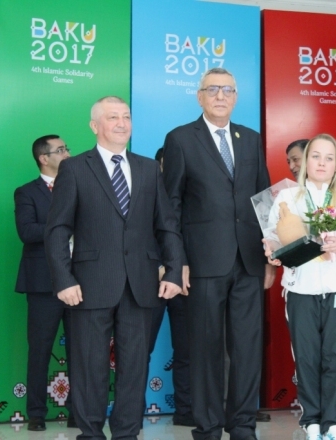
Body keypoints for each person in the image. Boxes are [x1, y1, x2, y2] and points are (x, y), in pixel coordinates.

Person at [45, 96, 184, 439]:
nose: (122, 123)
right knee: (89, 366)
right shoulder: (75, 168)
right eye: (112, 117)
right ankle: (90, 433)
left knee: (135, 366)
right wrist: (64, 278)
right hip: (89, 285)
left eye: (126, 116)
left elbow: (167, 225)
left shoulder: (149, 168)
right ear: (95, 126)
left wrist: (175, 270)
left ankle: (127, 433)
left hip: (141, 285)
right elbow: (58, 229)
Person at [162, 67, 274, 440]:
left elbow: (264, 200)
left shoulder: (251, 138)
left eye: (228, 89)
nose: (221, 96)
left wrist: (272, 256)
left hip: (249, 262)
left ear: (236, 96)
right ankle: (208, 427)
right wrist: (178, 263)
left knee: (246, 348)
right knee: (206, 349)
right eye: (213, 90)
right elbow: (171, 207)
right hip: (203, 263)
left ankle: (242, 425)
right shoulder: (180, 139)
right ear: (200, 96)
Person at [265, 134, 336, 440]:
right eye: (316, 156)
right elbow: (274, 238)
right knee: (308, 358)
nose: (322, 163)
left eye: (329, 157)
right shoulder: (287, 199)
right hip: (301, 291)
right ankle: (312, 422)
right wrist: (270, 245)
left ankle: (334, 423)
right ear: (305, 162)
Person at [14, 134, 73, 431]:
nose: (67, 153)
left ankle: (81, 411)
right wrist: (65, 226)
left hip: (80, 281)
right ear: (43, 158)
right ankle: (36, 413)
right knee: (39, 349)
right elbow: (27, 232)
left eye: (67, 148)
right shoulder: (26, 192)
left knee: (83, 349)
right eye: (60, 150)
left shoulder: (79, 188)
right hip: (43, 284)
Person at [145, 147, 195, 428]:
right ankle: (130, 412)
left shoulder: (191, 199)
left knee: (186, 350)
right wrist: (160, 268)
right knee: (139, 350)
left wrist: (179, 268)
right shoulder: (142, 192)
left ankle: (186, 411)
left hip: (185, 284)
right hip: (147, 282)